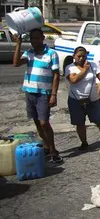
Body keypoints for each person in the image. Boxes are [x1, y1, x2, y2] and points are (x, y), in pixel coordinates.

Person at [13, 28, 62, 163]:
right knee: (37, 122)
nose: (34, 41)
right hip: (30, 92)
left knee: (44, 122)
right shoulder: (29, 53)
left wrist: (53, 95)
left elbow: (56, 75)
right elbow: (16, 63)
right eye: (31, 39)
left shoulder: (52, 54)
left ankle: (53, 150)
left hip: (44, 94)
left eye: (36, 38)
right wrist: (18, 44)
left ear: (42, 38)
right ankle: (46, 147)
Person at [65, 46, 100, 150]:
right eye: (78, 56)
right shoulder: (69, 67)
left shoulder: (93, 65)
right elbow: (74, 80)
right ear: (74, 56)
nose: (81, 58)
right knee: (80, 123)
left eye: (83, 56)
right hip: (76, 100)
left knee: (99, 121)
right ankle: (84, 142)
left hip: (92, 99)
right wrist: (85, 69)